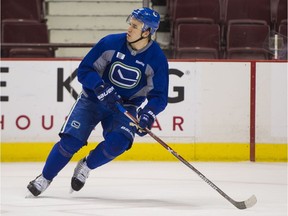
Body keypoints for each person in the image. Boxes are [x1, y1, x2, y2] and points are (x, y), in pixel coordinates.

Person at [27, 7, 169, 196]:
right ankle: (44, 178)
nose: (129, 29)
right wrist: (100, 87)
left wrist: (148, 114)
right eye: (130, 24)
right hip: (92, 99)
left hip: (125, 107)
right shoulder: (110, 43)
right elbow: (84, 71)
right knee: (70, 141)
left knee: (118, 143)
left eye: (135, 26)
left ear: (147, 32)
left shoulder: (157, 59)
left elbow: (159, 96)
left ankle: (86, 165)